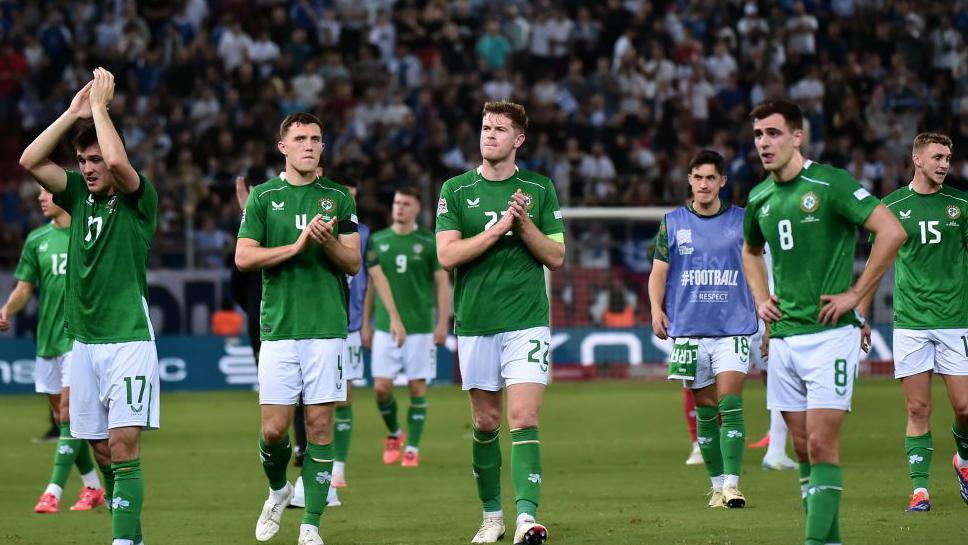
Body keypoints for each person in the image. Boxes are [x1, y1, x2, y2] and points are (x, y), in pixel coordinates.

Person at [742, 100, 905, 545]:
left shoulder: (830, 183)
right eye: (758, 135)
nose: (763, 143)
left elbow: (891, 231)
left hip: (831, 336)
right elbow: (751, 251)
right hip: (784, 339)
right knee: (800, 447)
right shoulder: (759, 197)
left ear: (797, 137)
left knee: (820, 444)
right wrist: (760, 298)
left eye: (773, 133)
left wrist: (857, 294)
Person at [19, 69, 160, 545]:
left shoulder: (139, 199)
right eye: (83, 161)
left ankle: (120, 541)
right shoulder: (76, 194)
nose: (90, 168)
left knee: (123, 445)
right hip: (84, 341)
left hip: (128, 340)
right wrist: (74, 113)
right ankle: (133, 536)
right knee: (100, 450)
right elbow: (30, 158)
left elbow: (121, 165)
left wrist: (101, 108)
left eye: (95, 159)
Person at [436, 101, 564, 545]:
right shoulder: (455, 189)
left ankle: (527, 518)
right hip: (474, 322)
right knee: (486, 423)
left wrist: (523, 223)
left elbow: (556, 255)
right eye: (486, 127)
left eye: (500, 128)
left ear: (519, 139)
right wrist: (498, 228)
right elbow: (447, 255)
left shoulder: (540, 189)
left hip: (526, 320)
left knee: (523, 416)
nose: (489, 134)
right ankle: (492, 516)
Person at [235, 112, 360, 545]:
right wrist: (296, 245)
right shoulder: (263, 198)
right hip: (279, 331)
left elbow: (354, 263)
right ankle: (277, 490)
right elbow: (244, 258)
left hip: (326, 330)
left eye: (317, 139)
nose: (310, 145)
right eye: (301, 138)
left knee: (321, 428)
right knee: (273, 431)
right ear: (282, 146)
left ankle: (310, 526)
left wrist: (329, 243)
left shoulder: (339, 198)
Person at [858, 133, 968, 511]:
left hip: (956, 321)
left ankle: (963, 462)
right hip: (910, 323)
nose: (943, 164)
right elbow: (877, 265)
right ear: (917, 159)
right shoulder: (892, 207)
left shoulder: (961, 204)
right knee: (918, 409)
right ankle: (920, 490)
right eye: (937, 156)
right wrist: (862, 314)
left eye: (948, 158)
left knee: (965, 407)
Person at [648, 150, 758, 508]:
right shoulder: (672, 222)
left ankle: (733, 484)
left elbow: (759, 267)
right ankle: (715, 486)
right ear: (690, 181)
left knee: (730, 402)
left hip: (733, 329)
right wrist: (655, 309)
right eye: (698, 177)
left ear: (723, 182)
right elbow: (659, 272)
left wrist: (766, 308)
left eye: (712, 178)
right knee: (706, 410)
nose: (704, 184)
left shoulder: (743, 220)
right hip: (689, 331)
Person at [1, 188, 104, 514]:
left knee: (68, 412)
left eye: (47, 193)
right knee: (64, 420)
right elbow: (25, 286)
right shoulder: (37, 239)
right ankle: (94, 487)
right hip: (46, 340)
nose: (42, 199)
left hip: (77, 336)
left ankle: (53, 491)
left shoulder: (87, 234)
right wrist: (6, 310)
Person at [291, 178, 369, 509]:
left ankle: (333, 475)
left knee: (335, 403)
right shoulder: (307, 222)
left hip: (342, 326)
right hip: (311, 325)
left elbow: (367, 275)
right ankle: (320, 478)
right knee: (308, 407)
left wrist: (367, 319)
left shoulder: (363, 235)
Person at [362, 186, 451, 468]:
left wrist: (442, 322)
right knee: (381, 388)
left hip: (421, 327)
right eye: (396, 202)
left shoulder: (428, 242)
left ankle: (412, 447)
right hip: (385, 327)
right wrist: (365, 323)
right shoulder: (377, 240)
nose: (399, 207)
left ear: (416, 208)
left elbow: (442, 285)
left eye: (405, 203)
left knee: (417, 388)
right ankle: (394, 433)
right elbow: (372, 286)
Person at [746, 244, 798, 472]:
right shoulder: (772, 222)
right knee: (784, 381)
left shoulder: (745, 222)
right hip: (774, 310)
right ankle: (776, 449)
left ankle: (774, 444)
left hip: (748, 311)